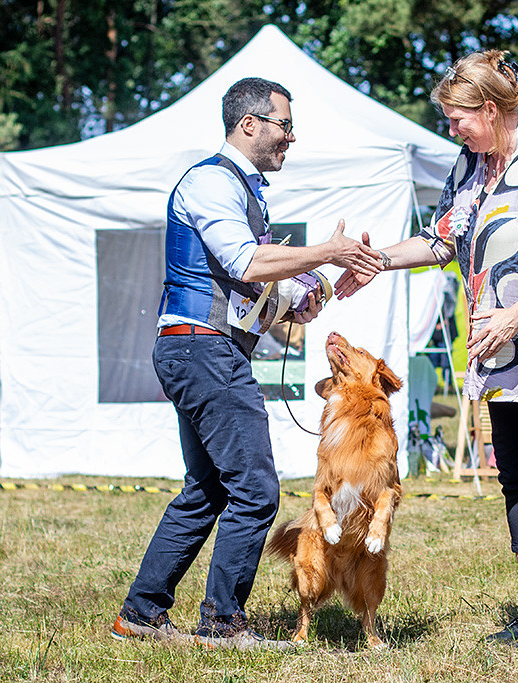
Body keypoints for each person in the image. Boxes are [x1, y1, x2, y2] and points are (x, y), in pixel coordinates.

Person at [335, 50, 518, 651]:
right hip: (499, 346)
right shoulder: (471, 164)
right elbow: (443, 240)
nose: (453, 129)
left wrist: (516, 316)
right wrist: (376, 260)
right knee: (513, 475)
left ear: (491, 109)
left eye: (459, 118)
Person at [111, 77, 384, 650]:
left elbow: (249, 285)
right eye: (284, 125)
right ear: (249, 124)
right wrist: (324, 254)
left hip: (204, 346)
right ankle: (222, 625)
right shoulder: (211, 180)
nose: (291, 136)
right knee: (255, 489)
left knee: (206, 491)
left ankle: (141, 616)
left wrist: (302, 297)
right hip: (202, 347)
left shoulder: (245, 190)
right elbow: (244, 259)